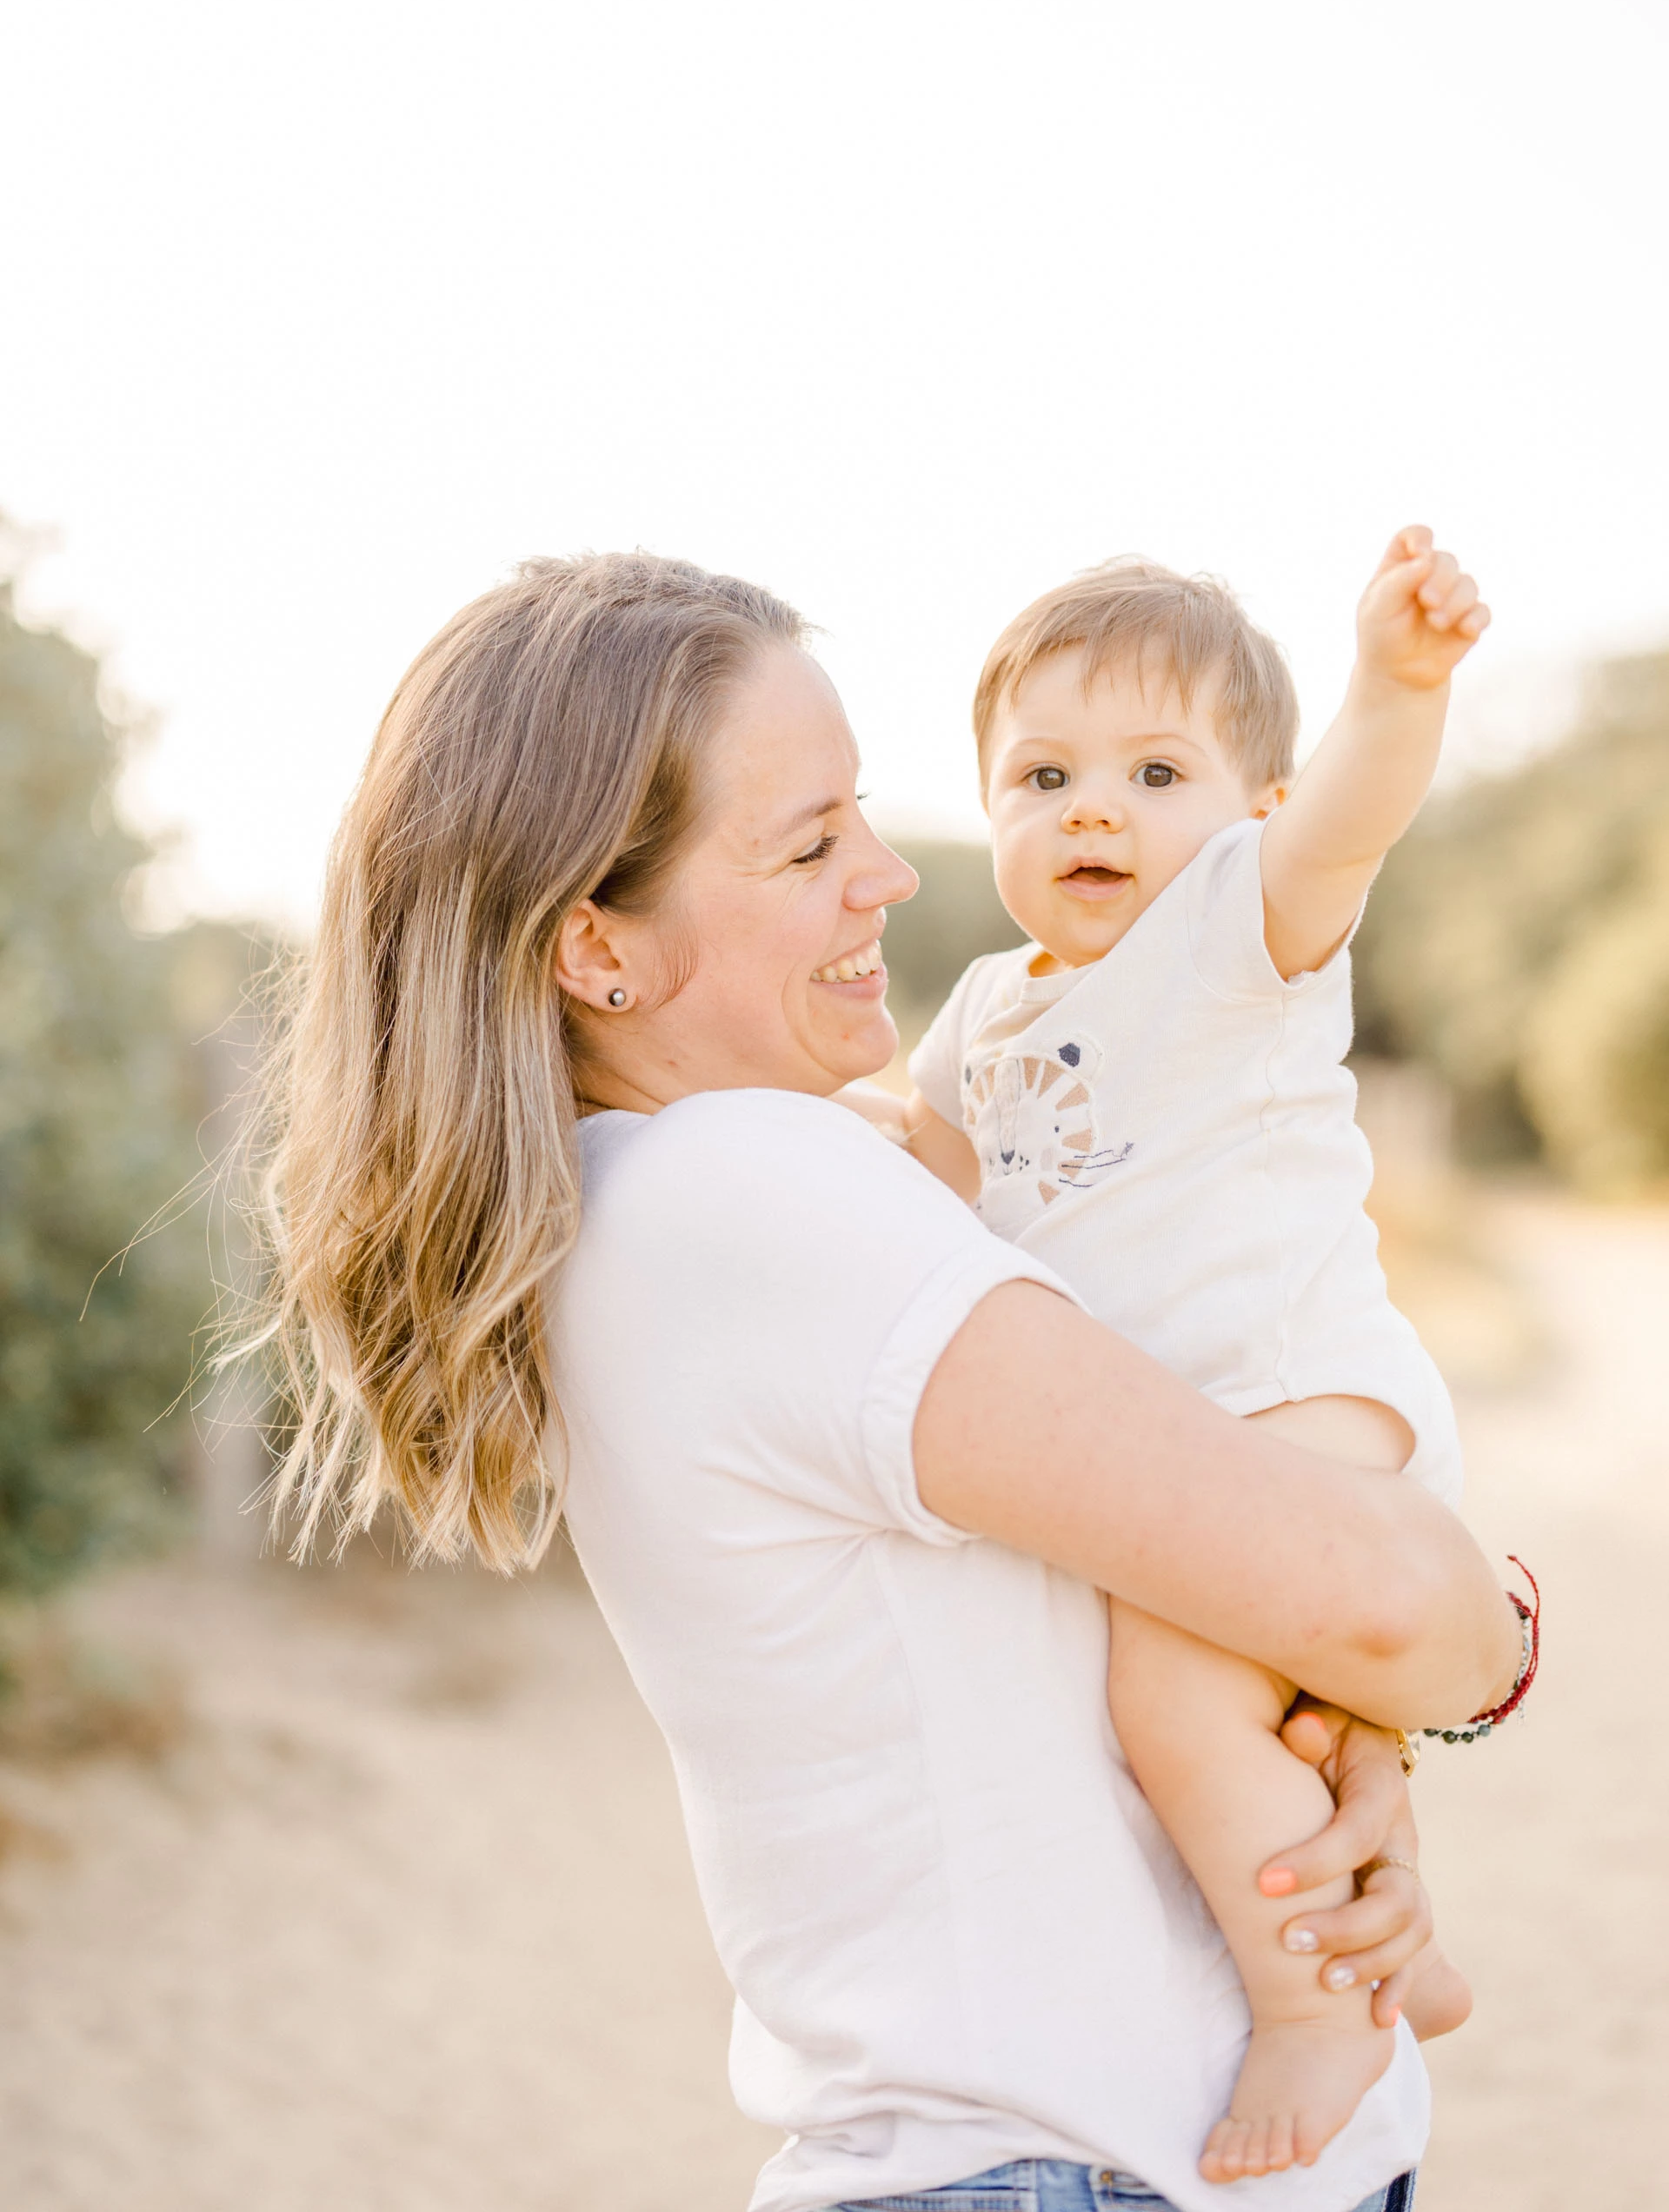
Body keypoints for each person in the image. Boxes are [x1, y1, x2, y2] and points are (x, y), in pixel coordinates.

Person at [256, 552, 1520, 2212]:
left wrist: (1364, 1745)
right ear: (595, 948)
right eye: (807, 843)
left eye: (859, 814)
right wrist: (1473, 1650)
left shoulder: (687, 1194)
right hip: (1077, 2172)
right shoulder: (746, 1198)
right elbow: (1382, 1607)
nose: (888, 879)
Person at [856, 535, 1496, 2182]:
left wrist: (1396, 688)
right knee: (1243, 1698)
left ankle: (1316, 2007)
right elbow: (943, 1169)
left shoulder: (1237, 924)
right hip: (1183, 1426)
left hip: (1298, 1389)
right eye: (1044, 776)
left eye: (1156, 772)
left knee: (1174, 1675)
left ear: (1251, 805)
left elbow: (1354, 814)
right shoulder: (989, 1005)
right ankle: (1387, 1947)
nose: (1092, 810)